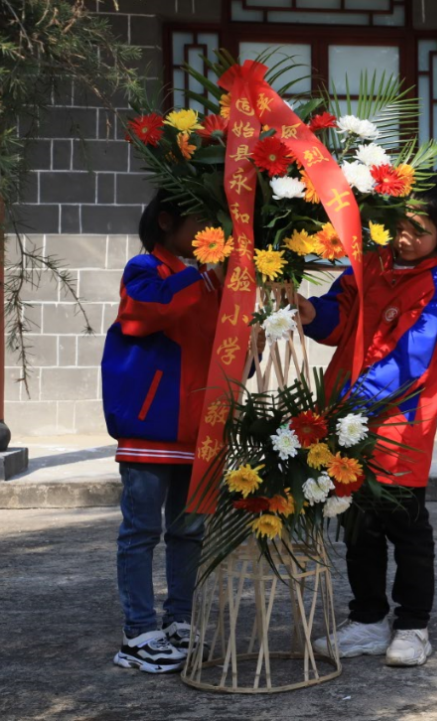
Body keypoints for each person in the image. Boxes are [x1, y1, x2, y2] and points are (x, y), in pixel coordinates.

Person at [305, 167, 437, 667]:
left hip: (400, 425)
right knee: (359, 525)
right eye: (399, 225)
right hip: (349, 418)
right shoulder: (368, 263)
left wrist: (350, 408)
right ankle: (369, 620)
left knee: (407, 527)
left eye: (419, 229)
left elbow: (407, 362)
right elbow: (337, 317)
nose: (405, 237)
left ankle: (414, 625)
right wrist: (308, 313)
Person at [102, 190, 223, 673]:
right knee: (140, 531)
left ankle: (179, 621)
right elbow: (146, 312)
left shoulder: (211, 281)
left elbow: (223, 347)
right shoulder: (145, 269)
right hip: (150, 427)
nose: (211, 233)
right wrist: (203, 271)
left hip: (199, 430)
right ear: (168, 223)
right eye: (202, 222)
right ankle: (137, 632)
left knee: (189, 532)